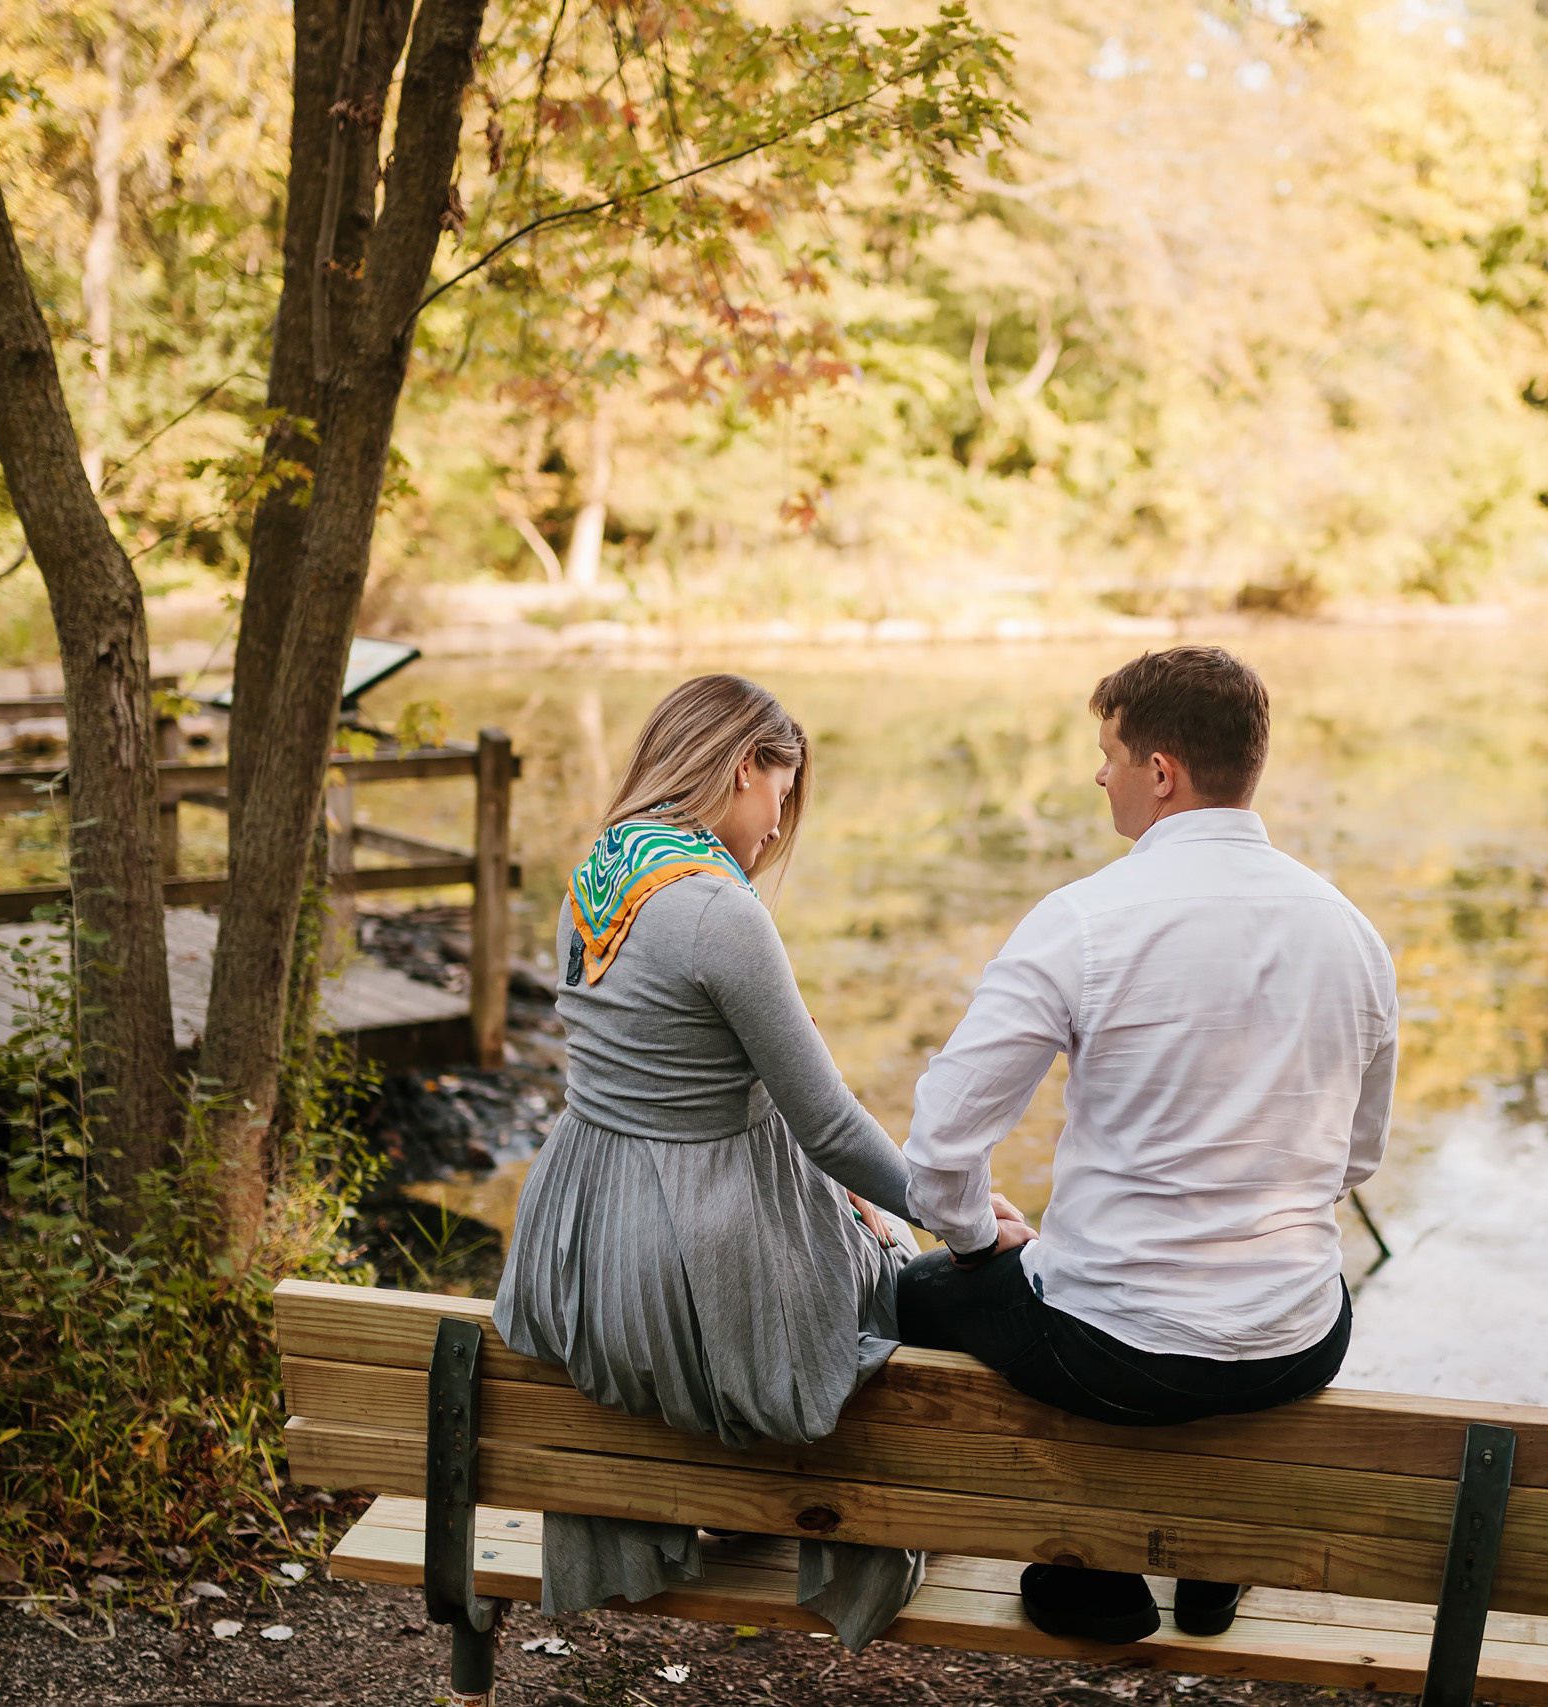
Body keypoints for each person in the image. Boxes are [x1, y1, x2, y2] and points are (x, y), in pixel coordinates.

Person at [897, 645, 1399, 1645]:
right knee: (1168, 1323)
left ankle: (1088, 1570)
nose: (1099, 774)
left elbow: (941, 1145)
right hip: (1297, 1340)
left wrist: (973, 1241)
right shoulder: (1351, 932)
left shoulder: (1082, 921)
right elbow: (1356, 1161)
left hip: (1113, 1352)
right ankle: (1213, 1555)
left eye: (1109, 752)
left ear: (1159, 771)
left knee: (921, 1299)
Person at [491, 673, 925, 1650]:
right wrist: (955, 1211)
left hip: (579, 1251)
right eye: (781, 791)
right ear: (741, 767)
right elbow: (828, 1126)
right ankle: (851, 1556)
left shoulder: (598, 870)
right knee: (895, 1270)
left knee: (860, 1229)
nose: (777, 826)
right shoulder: (718, 913)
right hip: (681, 1265)